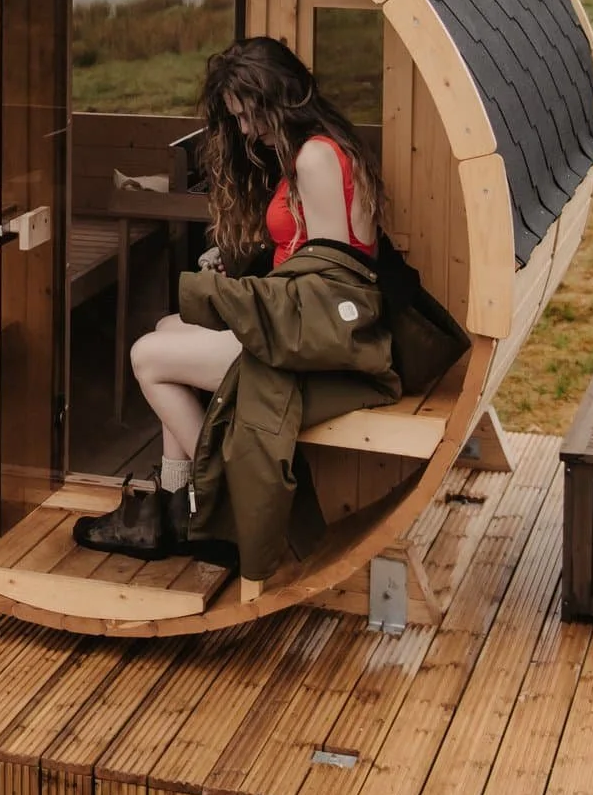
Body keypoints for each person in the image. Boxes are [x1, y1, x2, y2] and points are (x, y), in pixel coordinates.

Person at [74, 35, 396, 572]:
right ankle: (175, 507)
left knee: (147, 356)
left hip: (314, 342)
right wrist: (241, 270)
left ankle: (216, 490)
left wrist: (239, 299)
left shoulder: (317, 158)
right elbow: (303, 255)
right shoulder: (313, 149)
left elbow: (326, 281)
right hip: (296, 322)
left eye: (250, 115)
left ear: (281, 97)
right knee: (166, 326)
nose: (246, 130)